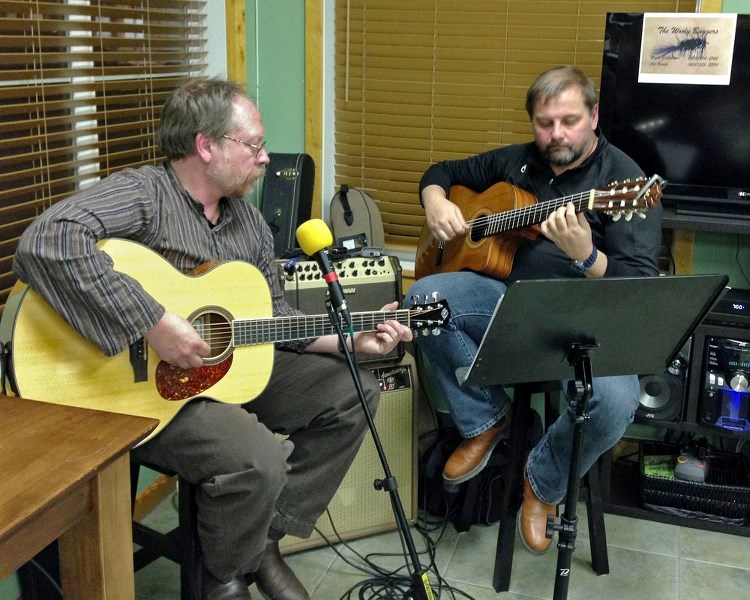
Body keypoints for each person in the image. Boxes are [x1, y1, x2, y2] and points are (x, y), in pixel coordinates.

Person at [13, 78, 413, 600]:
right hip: (133, 389)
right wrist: (154, 322)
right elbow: (47, 239)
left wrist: (351, 341)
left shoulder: (248, 220)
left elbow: (271, 318)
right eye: (253, 146)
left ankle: (258, 542)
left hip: (218, 373)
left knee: (352, 391)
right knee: (257, 458)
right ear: (206, 146)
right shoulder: (145, 194)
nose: (266, 158)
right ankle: (224, 579)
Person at [408, 66, 662, 554]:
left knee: (613, 403)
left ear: (593, 116)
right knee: (422, 302)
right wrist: (434, 201)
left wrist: (587, 256)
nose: (556, 134)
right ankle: (486, 421)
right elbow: (442, 172)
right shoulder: (518, 162)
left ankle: (541, 481)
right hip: (507, 303)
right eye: (545, 123)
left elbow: (637, 290)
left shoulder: (624, 181)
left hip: (585, 323)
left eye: (569, 121)